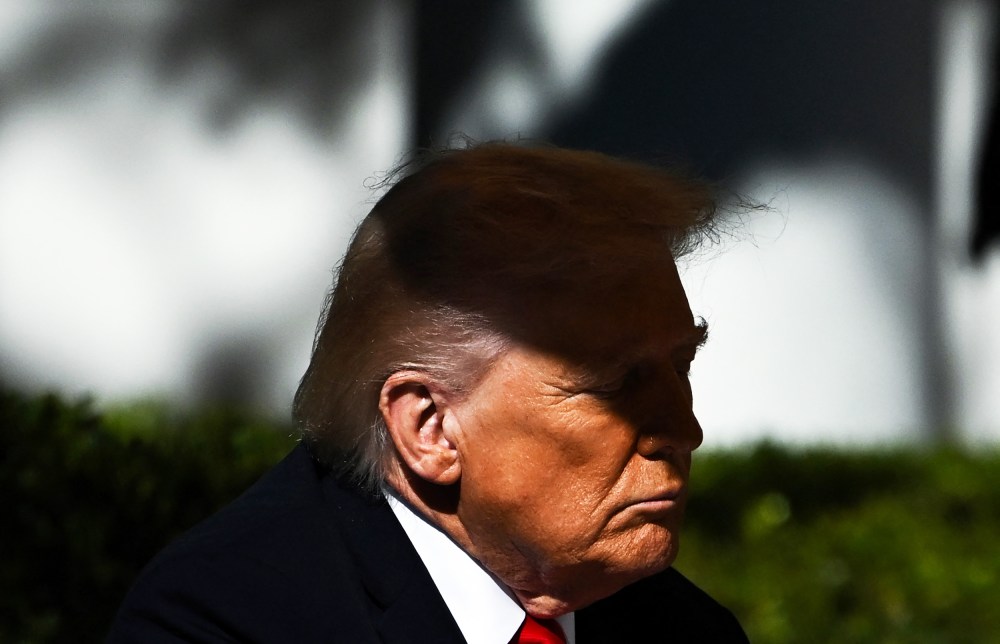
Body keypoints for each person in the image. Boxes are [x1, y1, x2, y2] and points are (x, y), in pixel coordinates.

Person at [107, 143, 749, 643]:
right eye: (616, 383)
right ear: (430, 427)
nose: (684, 429)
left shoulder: (686, 630)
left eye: (681, 365)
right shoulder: (222, 622)